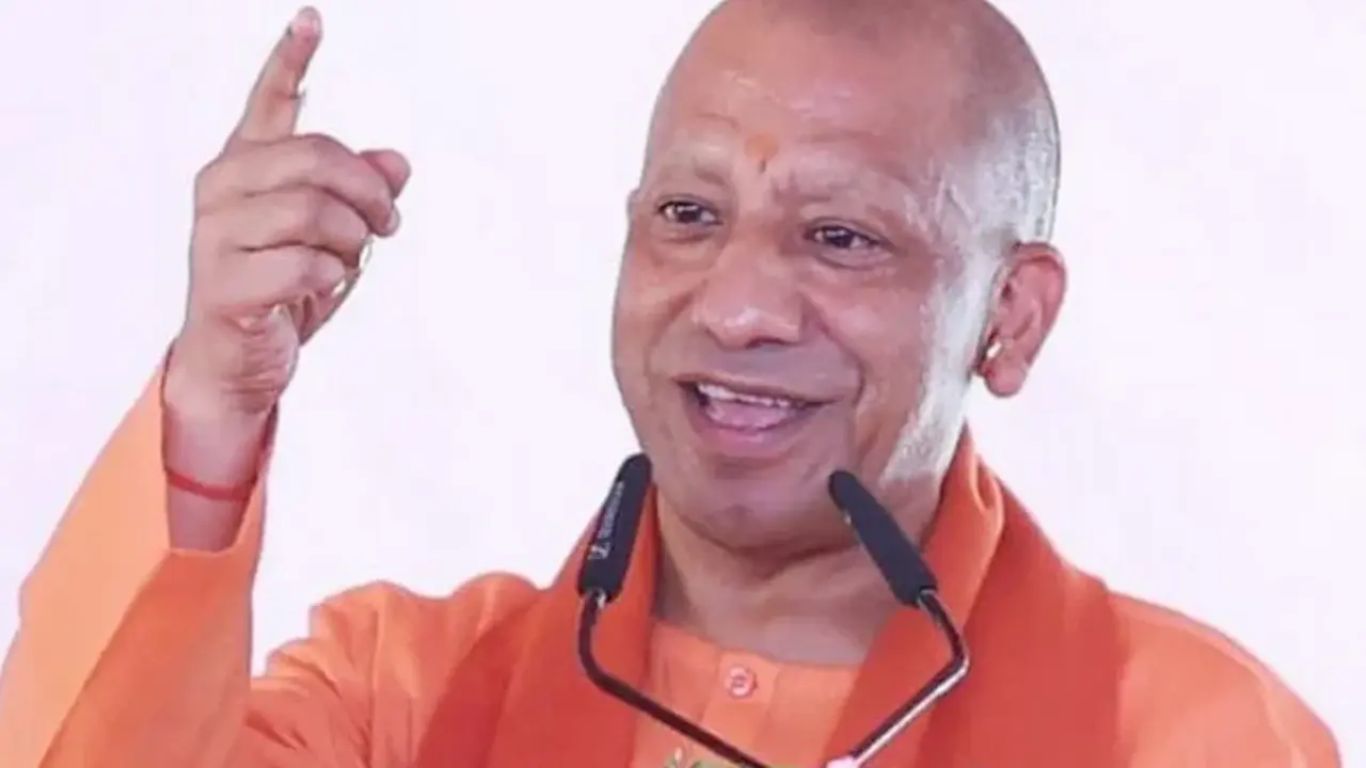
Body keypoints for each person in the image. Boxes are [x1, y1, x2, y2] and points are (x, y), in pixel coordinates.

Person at [0, 1, 1340, 766]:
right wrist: (216, 404)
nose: (739, 308)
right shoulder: (400, 700)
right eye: (689, 217)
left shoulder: (1197, 738)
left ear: (1011, 317)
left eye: (841, 237)